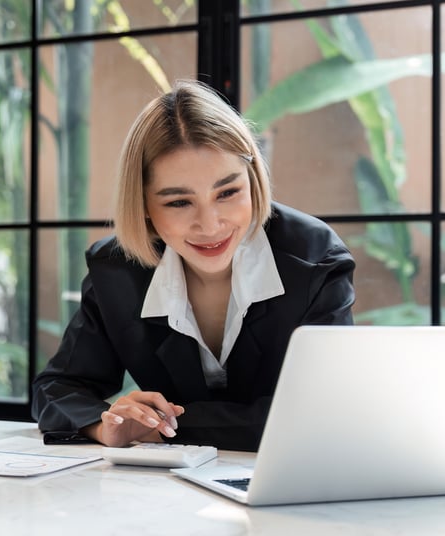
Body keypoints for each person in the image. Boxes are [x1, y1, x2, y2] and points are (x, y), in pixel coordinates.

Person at [32, 79, 355, 452]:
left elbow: (323, 411)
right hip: (168, 488)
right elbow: (57, 389)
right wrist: (106, 426)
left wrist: (164, 428)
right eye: (178, 202)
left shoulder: (315, 259)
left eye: (228, 193)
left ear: (252, 181)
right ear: (143, 206)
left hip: (292, 476)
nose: (210, 224)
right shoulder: (117, 270)